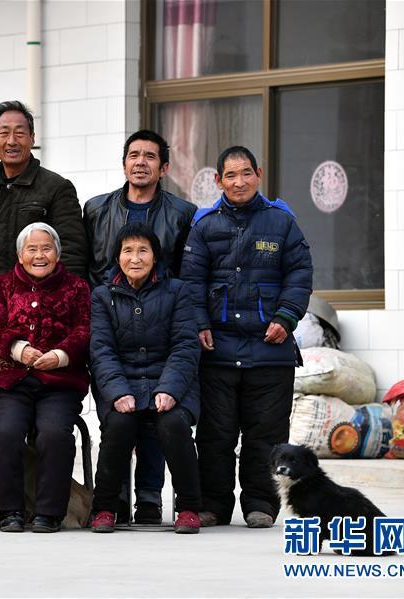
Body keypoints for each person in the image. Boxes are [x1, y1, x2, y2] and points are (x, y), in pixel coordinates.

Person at [181, 146, 313, 528]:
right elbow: (191, 282)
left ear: (258, 174)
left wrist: (286, 318)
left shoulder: (282, 222)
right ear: (218, 180)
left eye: (246, 174)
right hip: (217, 350)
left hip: (270, 351)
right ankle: (214, 506)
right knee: (215, 435)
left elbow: (300, 273)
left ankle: (261, 504)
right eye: (230, 176)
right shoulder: (204, 225)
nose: (239, 182)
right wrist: (200, 323)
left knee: (266, 436)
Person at [83, 129, 197, 524]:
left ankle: (149, 499)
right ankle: (111, 503)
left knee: (160, 420)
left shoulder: (183, 213)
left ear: (163, 167)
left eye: (150, 156)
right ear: (124, 162)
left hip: (162, 316)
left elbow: (189, 271)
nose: (141, 162)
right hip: (114, 317)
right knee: (120, 418)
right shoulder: (97, 209)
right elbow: (88, 268)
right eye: (134, 154)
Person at [88, 222, 202, 534]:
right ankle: (105, 507)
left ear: (155, 256)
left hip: (172, 383)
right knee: (119, 424)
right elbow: (101, 350)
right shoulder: (102, 296)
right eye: (128, 251)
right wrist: (117, 391)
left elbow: (185, 345)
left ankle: (189, 507)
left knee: (173, 423)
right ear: (117, 256)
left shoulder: (177, 291)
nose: (135, 258)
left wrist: (169, 389)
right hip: (121, 383)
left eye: (143, 250)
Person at [0, 223, 91, 533]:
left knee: (54, 433)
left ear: (57, 253)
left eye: (46, 248)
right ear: (20, 254)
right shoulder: (3, 285)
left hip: (59, 382)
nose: (39, 255)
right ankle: (8, 510)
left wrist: (60, 355)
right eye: (32, 249)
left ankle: (49, 512)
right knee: (5, 431)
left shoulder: (77, 288)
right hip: (11, 378)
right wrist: (17, 349)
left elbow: (84, 330)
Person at [0, 100, 88, 304]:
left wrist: (56, 303)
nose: (12, 141)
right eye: (4, 133)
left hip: (38, 307)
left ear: (32, 138)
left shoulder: (57, 188)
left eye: (19, 133)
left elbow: (72, 254)